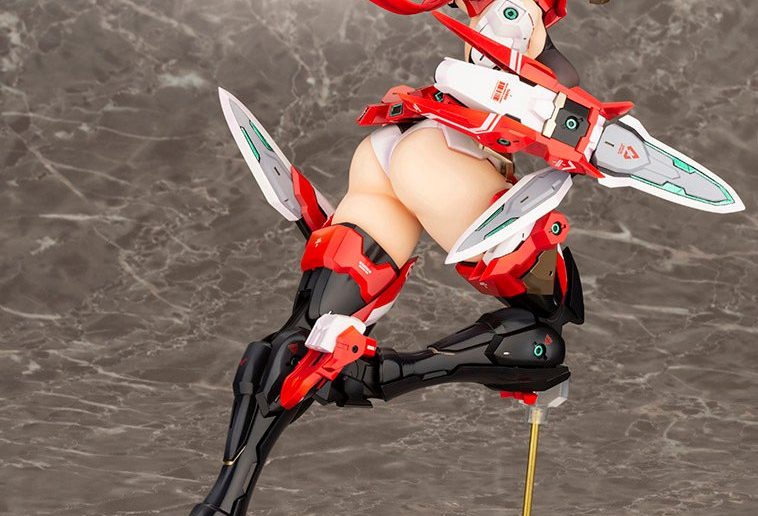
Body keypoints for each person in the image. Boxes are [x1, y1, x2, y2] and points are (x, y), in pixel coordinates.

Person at [191, 2, 590, 514]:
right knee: (546, 328)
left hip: (393, 147)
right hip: (441, 159)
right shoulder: (515, 11)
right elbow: (502, 84)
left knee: (305, 338)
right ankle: (388, 373)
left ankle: (224, 503)